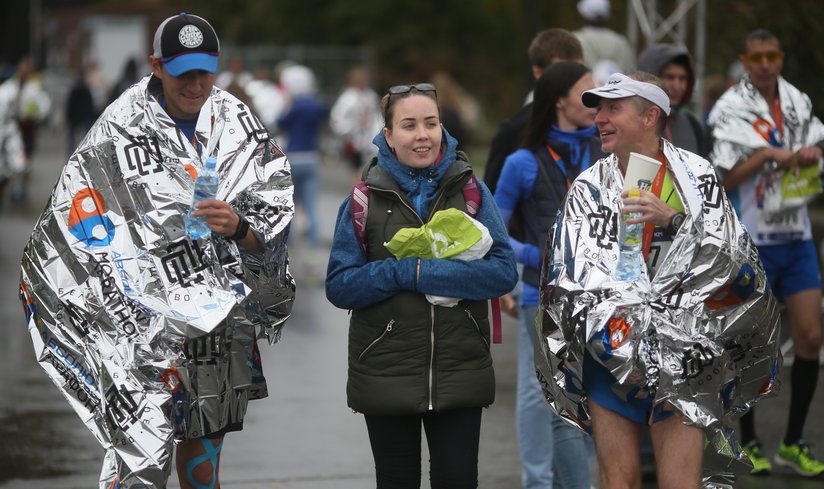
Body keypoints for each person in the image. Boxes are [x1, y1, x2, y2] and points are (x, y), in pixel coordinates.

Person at [19, 13, 296, 489]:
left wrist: (239, 227)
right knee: (140, 464)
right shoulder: (119, 126)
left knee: (202, 472)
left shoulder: (236, 121)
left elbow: (269, 227)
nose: (195, 83)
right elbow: (75, 220)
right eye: (182, 70)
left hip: (217, 330)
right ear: (156, 65)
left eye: (205, 70)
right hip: (140, 329)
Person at [537, 71, 780, 488]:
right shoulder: (587, 188)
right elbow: (567, 281)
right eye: (598, 109)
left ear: (650, 116)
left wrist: (676, 222)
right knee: (619, 483)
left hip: (686, 356)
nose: (599, 119)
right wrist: (622, 333)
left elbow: (738, 267)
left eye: (613, 108)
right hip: (611, 357)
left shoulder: (697, 176)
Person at [325, 83, 518, 489]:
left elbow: (502, 272)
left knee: (458, 480)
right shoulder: (364, 198)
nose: (422, 134)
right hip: (385, 372)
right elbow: (340, 285)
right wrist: (397, 273)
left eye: (431, 123)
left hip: (460, 370)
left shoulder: (470, 191)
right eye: (409, 125)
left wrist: (420, 273)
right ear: (389, 136)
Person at [708, 28, 824, 478]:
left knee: (811, 337)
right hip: (752, 241)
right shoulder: (730, 109)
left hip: (795, 237)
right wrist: (769, 155)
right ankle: (750, 439)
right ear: (745, 59)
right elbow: (723, 178)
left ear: (780, 57)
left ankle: (793, 442)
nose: (764, 64)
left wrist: (809, 153)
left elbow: (813, 146)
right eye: (755, 57)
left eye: (772, 55)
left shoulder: (797, 102)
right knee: (751, 345)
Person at [494, 61, 604, 489]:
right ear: (558, 99)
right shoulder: (522, 162)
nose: (596, 102)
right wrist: (537, 257)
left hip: (596, 301)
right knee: (540, 397)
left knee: (588, 402)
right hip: (538, 297)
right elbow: (493, 233)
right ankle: (537, 483)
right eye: (586, 93)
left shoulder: (605, 154)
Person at [484, 28, 583, 196]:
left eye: (578, 70)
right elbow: (490, 201)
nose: (572, 80)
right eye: (561, 71)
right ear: (538, 72)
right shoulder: (512, 131)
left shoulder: (597, 125)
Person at [277, 64, 328, 251]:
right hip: (311, 157)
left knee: (290, 206)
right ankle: (313, 249)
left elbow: (280, 122)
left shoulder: (294, 106)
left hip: (293, 158)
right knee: (311, 206)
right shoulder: (316, 105)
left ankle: (286, 247)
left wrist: (287, 103)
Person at [637, 43, 707, 157]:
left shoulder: (693, 126)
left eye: (683, 79)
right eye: (670, 77)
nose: (677, 86)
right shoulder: (630, 124)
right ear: (649, 79)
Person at [330, 66, 382, 176]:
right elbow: (337, 120)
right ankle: (357, 192)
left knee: (372, 169)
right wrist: (353, 126)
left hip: (371, 139)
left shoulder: (371, 95)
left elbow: (377, 115)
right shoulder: (348, 98)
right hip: (355, 141)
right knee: (357, 171)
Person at [573, 0, 635, 84]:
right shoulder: (621, 41)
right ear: (607, 16)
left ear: (583, 15)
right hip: (618, 95)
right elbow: (632, 74)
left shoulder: (574, 39)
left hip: (584, 95)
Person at [65, 62, 99, 156]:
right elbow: (91, 105)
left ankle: (72, 157)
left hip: (77, 118)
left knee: (74, 140)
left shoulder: (75, 89)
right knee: (85, 139)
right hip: (84, 117)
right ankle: (84, 155)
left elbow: (70, 104)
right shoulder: (87, 90)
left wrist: (68, 118)